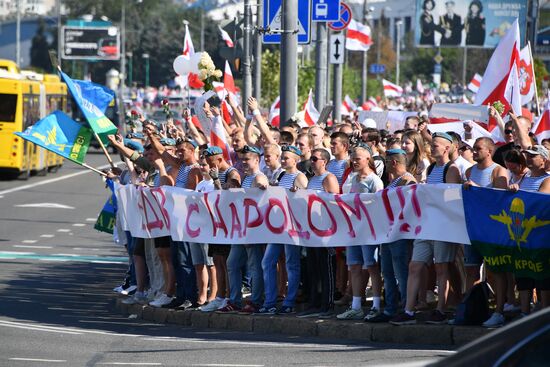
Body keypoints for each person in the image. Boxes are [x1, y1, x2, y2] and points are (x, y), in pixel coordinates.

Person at [391, 132, 462, 325]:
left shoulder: (452, 169)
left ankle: (441, 309)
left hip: (443, 226)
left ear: (447, 148)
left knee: (441, 267)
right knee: (415, 265)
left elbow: (453, 199)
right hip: (428, 224)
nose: (432, 148)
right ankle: (409, 310)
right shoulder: (431, 168)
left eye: (436, 145)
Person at [463, 137, 509, 328]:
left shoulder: (499, 171)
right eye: (473, 148)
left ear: (489, 151)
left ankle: (499, 311)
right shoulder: (469, 171)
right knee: (471, 270)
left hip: (491, 231)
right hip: (472, 228)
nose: (474, 152)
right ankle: (471, 310)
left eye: (478, 148)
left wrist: (477, 190)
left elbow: (499, 200)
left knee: (495, 271)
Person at [367, 149, 416, 323]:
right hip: (387, 233)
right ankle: (390, 309)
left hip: (400, 233)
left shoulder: (407, 180)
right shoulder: (393, 182)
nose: (385, 165)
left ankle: (405, 307)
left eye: (387, 161)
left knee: (400, 271)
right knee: (387, 272)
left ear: (393, 162)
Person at [258, 145, 308, 315]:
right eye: (283, 157)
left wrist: (297, 194)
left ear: (296, 160)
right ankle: (270, 301)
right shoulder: (281, 175)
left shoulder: (300, 177)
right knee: (268, 261)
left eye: (287, 158)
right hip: (278, 226)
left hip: (292, 228)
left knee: (291, 264)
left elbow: (305, 203)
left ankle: (289, 301)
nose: (283, 160)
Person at [337, 144, 384, 320]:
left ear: (367, 159)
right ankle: (356, 306)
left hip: (369, 230)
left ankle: (376, 305)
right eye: (353, 158)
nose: (354, 161)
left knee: (371, 266)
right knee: (355, 266)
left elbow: (379, 205)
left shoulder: (374, 181)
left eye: (358, 158)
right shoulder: (353, 178)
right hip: (354, 230)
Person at [217, 145, 267, 313]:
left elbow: (262, 187)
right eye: (241, 160)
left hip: (252, 229)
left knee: (254, 265)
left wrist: (261, 187)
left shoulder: (259, 177)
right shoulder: (246, 177)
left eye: (247, 160)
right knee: (232, 263)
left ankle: (255, 301)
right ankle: (235, 300)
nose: (243, 163)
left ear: (256, 160)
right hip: (241, 228)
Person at [297, 148, 340, 319]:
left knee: (326, 267)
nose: (312, 161)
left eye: (315, 159)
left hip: (325, 230)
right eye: (311, 159)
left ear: (324, 162)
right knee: (313, 268)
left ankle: (327, 304)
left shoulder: (328, 178)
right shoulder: (312, 179)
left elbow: (335, 202)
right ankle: (314, 303)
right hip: (312, 229)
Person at [509, 145, 550, 317]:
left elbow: (540, 199)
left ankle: (544, 313)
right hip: (522, 236)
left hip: (540, 236)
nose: (529, 158)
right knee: (523, 273)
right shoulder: (523, 178)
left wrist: (519, 196)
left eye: (533, 156)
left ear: (544, 160)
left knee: (542, 274)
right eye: (528, 155)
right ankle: (525, 313)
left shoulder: (547, 180)